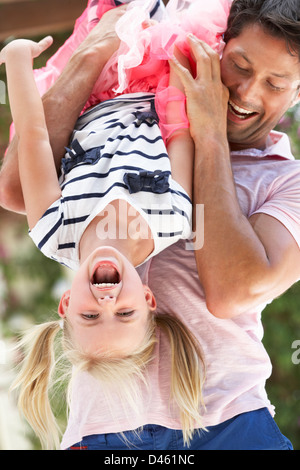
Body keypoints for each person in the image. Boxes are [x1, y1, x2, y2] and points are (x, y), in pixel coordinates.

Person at [2, 0, 300, 451]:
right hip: (103, 430)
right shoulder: (132, 129)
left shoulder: (287, 179)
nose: (247, 93)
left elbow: (231, 290)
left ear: (298, 93)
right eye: (238, 67)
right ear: (217, 46)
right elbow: (14, 186)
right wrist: (93, 49)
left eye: (276, 84)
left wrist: (209, 133)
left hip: (228, 421)